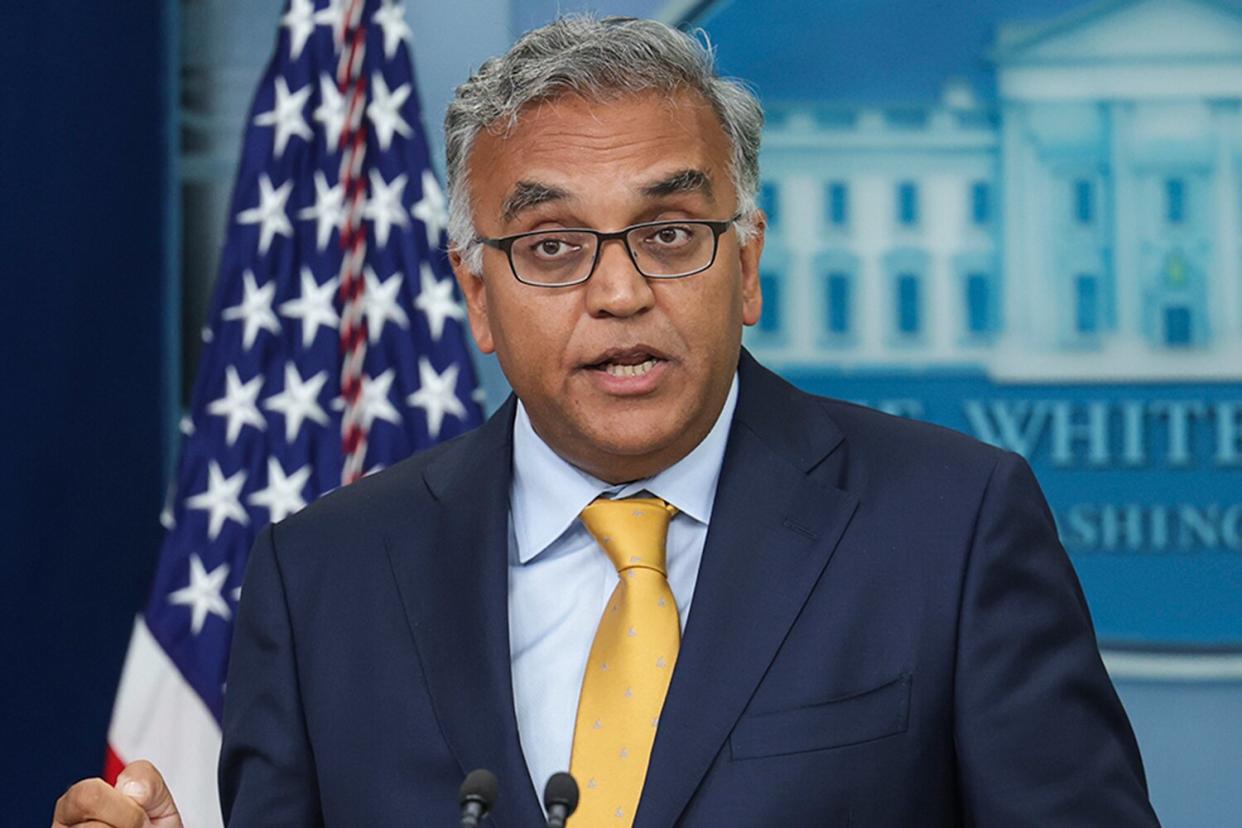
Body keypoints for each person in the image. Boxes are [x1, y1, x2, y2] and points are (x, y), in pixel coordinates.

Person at [55, 15, 1160, 827]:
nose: (621, 291)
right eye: (550, 247)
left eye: (673, 234)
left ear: (749, 268)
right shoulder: (321, 576)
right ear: (477, 298)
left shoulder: (951, 526)